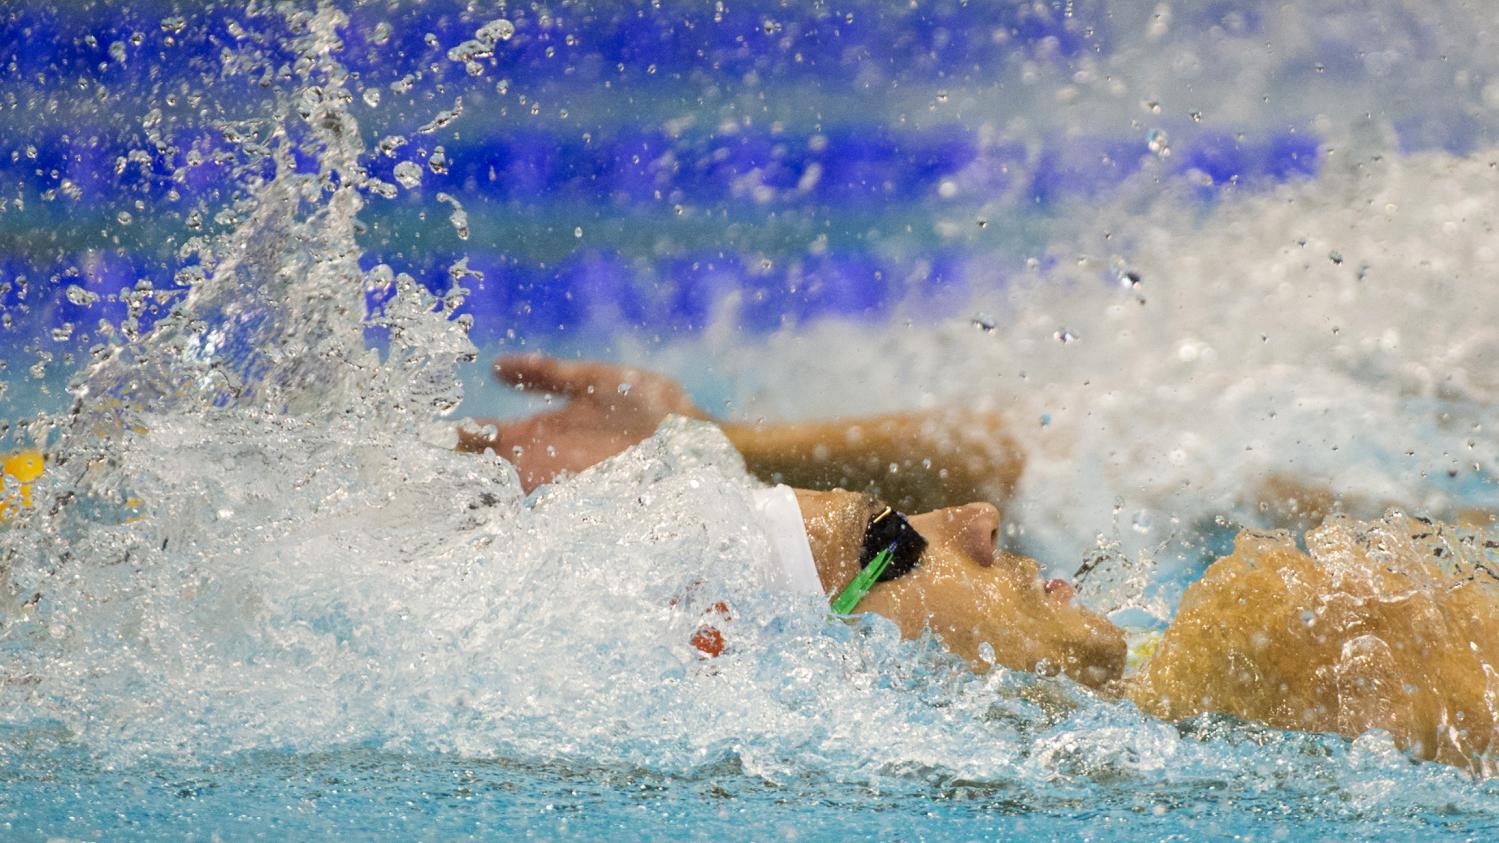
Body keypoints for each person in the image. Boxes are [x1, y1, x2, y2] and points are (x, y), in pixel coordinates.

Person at [457, 354, 1499, 772]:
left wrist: (718, 446)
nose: (973, 515)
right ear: (819, 675)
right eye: (891, 545)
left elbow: (1053, 453)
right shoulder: (1307, 644)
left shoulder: (1262, 631)